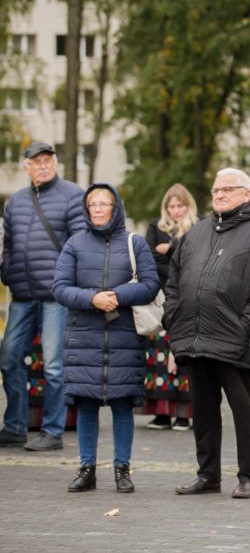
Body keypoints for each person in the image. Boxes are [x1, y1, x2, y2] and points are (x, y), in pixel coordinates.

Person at [166, 168, 250, 499]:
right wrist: (173, 317)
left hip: (237, 341)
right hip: (195, 338)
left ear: (246, 195)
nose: (219, 195)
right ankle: (208, 476)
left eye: (227, 189)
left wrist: (244, 326)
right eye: (215, 190)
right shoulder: (196, 233)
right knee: (203, 413)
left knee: (244, 413)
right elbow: (174, 282)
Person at [52, 184, 161, 492]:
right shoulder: (74, 243)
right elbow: (59, 287)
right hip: (83, 336)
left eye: (105, 204)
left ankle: (122, 469)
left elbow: (151, 284)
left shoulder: (135, 243)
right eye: (93, 204)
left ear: (116, 208)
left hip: (124, 335)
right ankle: (87, 468)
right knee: (85, 405)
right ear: (86, 210)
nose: (98, 209)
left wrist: (116, 295)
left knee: (122, 404)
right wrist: (93, 299)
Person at [0, 142, 84, 451]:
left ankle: (53, 431)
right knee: (8, 358)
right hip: (21, 294)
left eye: (48, 160)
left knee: (53, 366)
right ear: (27, 168)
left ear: (56, 163)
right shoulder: (16, 202)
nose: (43, 166)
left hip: (55, 296)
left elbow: (78, 244)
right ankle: (15, 427)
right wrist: (7, 272)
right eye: (36, 162)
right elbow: (8, 243)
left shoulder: (72, 195)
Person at [143, 183, 199, 431]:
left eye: (180, 205)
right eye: (171, 206)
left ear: (188, 206)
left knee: (184, 355)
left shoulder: (199, 227)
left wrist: (172, 249)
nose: (175, 210)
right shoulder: (156, 227)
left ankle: (184, 413)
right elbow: (151, 259)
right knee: (158, 356)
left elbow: (195, 261)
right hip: (160, 297)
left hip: (189, 299)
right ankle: (161, 412)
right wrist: (175, 264)